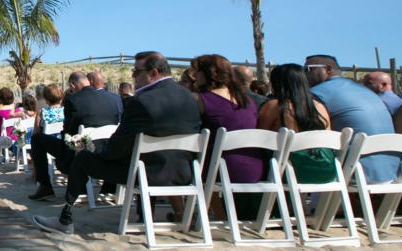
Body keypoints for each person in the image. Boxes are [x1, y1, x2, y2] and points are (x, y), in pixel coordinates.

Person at [33, 51, 201, 235]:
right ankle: (145, 216)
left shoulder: (142, 102)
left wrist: (100, 155)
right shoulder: (190, 97)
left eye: (136, 71)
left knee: (84, 160)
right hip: (186, 172)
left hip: (148, 173)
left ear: (153, 74)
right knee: (142, 156)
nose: (133, 76)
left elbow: (117, 148)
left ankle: (64, 219)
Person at [27, 72, 121, 201]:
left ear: (73, 85)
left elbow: (69, 132)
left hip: (81, 154)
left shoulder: (74, 100)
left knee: (37, 139)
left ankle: (45, 187)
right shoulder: (112, 99)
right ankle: (108, 187)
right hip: (109, 153)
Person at [305, 54, 397, 181]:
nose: (304, 74)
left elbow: (307, 132)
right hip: (391, 170)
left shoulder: (318, 93)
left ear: (327, 69)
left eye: (307, 69)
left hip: (355, 170)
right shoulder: (365, 91)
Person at [192, 54, 262, 219]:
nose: (194, 76)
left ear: (210, 72)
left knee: (194, 158)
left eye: (197, 71)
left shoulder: (201, 100)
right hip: (255, 168)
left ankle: (221, 216)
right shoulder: (247, 101)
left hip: (220, 169)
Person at [257, 64, 335, 183]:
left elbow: (258, 141)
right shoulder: (320, 108)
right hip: (325, 171)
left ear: (277, 84)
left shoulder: (274, 106)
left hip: (288, 171)